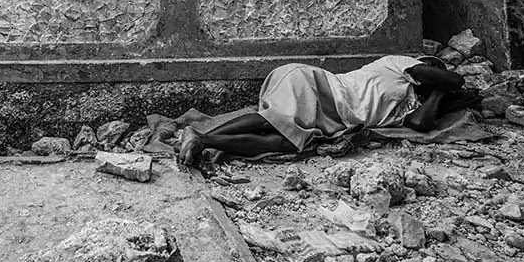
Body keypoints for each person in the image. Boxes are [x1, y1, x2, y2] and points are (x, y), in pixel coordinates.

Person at [178, 55, 470, 167]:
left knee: (283, 138)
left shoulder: (412, 104)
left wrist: (438, 94)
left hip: (328, 114)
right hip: (317, 86)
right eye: (433, 73)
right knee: (279, 127)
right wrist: (446, 84)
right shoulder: (400, 64)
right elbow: (455, 80)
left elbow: (421, 124)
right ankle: (201, 138)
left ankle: (201, 139)